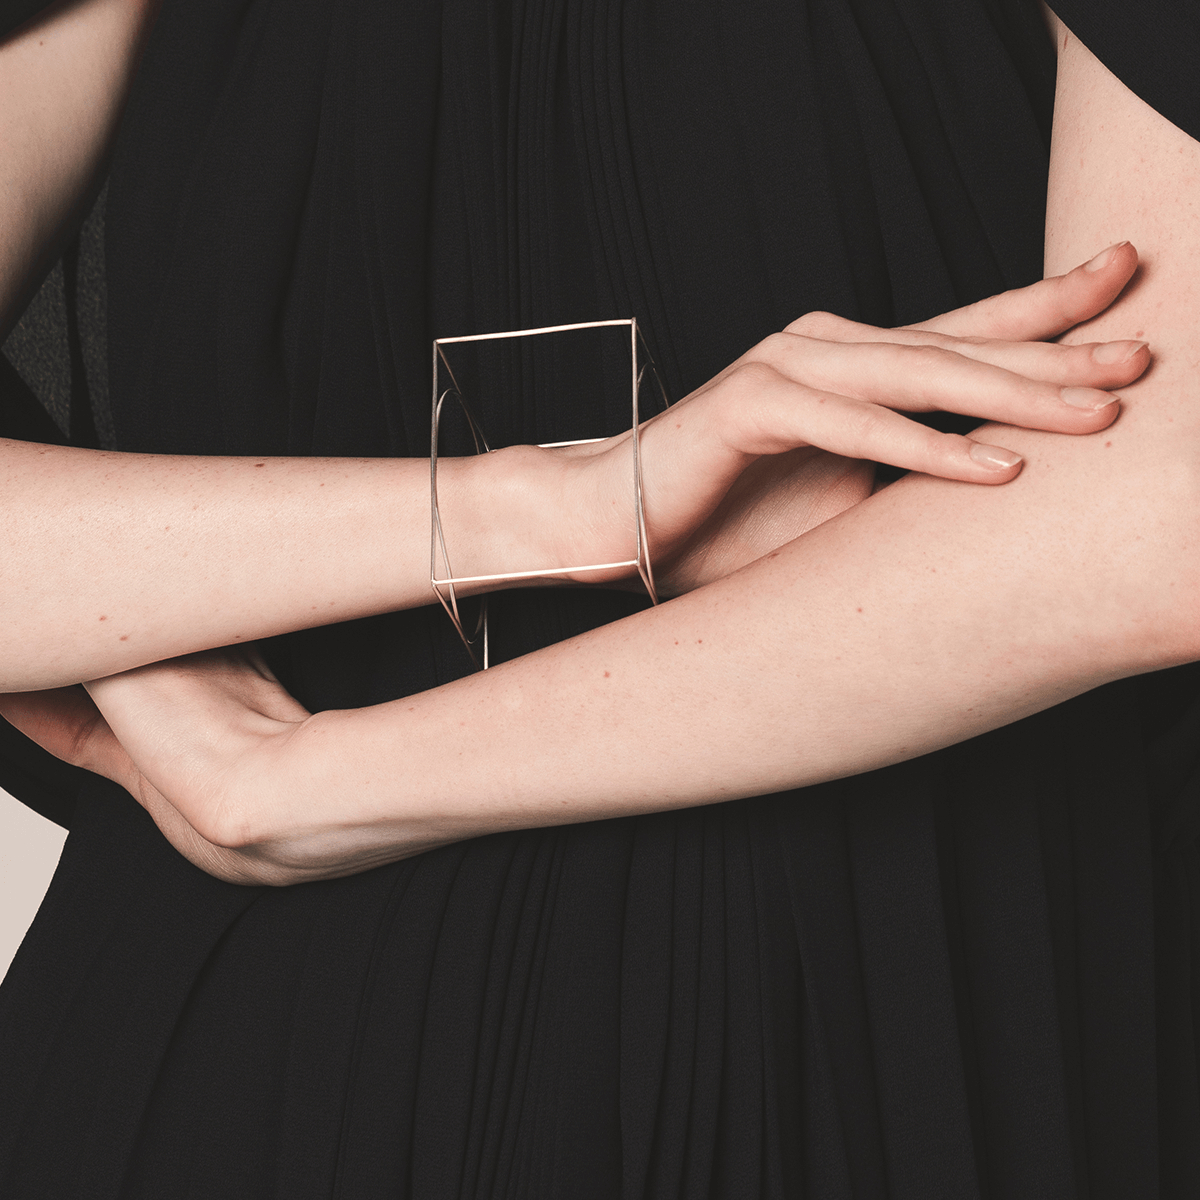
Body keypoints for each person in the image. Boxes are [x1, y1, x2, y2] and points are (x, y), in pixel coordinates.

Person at [0, 0, 1197, 1194]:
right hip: (234, 1043)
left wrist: (295, 782)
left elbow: (1147, 521)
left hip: (878, 984)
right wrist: (559, 509)